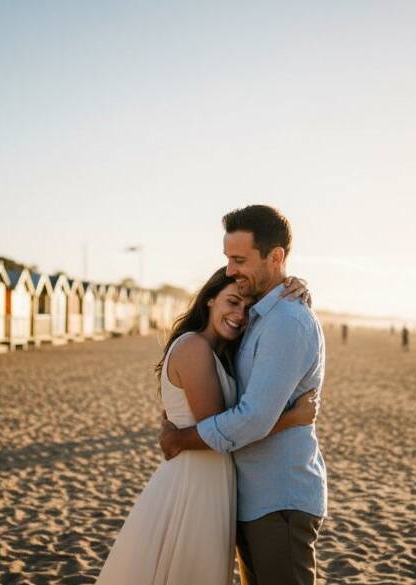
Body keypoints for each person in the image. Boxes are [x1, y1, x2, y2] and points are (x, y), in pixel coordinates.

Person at [96, 268, 317, 585]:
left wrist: (298, 286)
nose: (239, 315)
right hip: (195, 482)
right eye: (232, 302)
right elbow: (220, 430)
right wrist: (291, 419)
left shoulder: (217, 352)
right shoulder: (194, 348)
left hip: (211, 478)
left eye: (247, 309)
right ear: (210, 300)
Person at [159, 205, 326, 585]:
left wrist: (179, 439)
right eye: (227, 259)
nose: (231, 269)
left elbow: (252, 417)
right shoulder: (262, 317)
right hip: (253, 499)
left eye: (239, 259)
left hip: (279, 499)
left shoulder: (285, 321)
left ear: (276, 257)